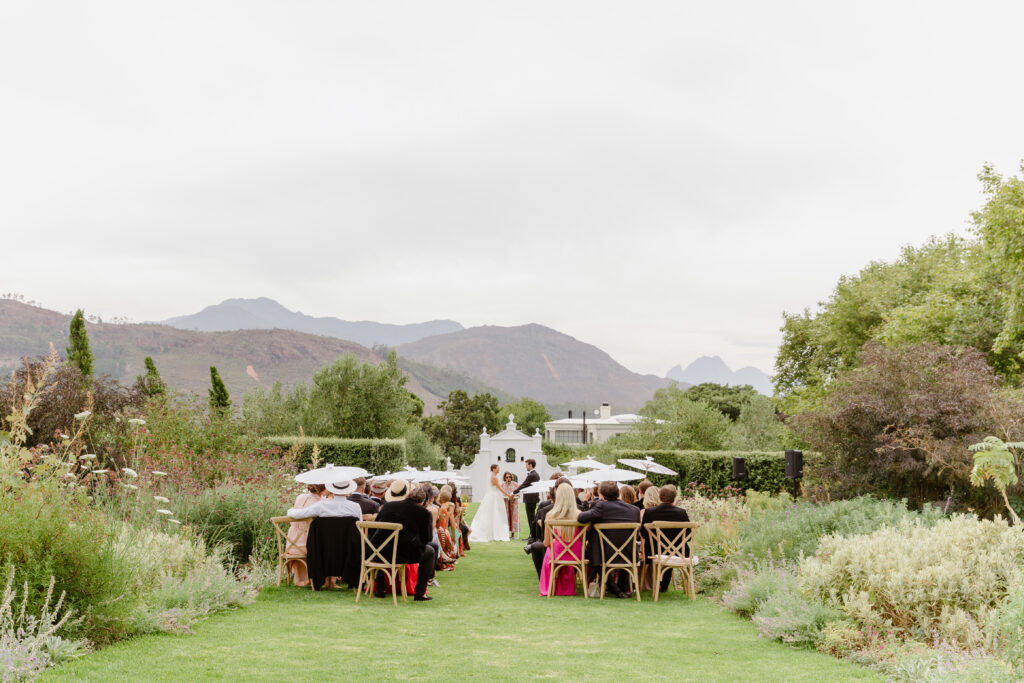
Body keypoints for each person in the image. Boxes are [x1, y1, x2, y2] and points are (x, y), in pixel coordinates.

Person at [372, 480, 437, 601]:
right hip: (403, 555)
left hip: (379, 552)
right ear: (422, 502)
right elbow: (427, 538)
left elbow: (376, 526)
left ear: (407, 496)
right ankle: (420, 593)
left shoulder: (387, 506)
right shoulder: (424, 513)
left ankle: (380, 589)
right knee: (431, 551)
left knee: (380, 546)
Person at [578, 480, 641, 598]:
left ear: (601, 495)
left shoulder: (601, 506)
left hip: (604, 555)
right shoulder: (634, 510)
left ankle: (615, 589)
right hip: (628, 554)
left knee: (595, 542)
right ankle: (621, 588)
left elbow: (581, 517)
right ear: (618, 493)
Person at [640, 484, 691, 594]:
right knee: (670, 551)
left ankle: (661, 585)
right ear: (674, 498)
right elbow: (688, 536)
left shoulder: (649, 512)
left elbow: (644, 534)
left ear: (659, 497)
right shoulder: (681, 513)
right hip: (678, 553)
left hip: (654, 552)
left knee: (666, 551)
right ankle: (663, 586)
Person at [538, 483, 583, 596]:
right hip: (576, 553)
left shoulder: (550, 515)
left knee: (550, 550)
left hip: (558, 553)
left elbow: (546, 542)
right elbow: (582, 539)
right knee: (560, 548)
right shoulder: (579, 515)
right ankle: (566, 588)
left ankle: (549, 588)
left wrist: (554, 541)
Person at [286, 483, 324, 586]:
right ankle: (324, 578)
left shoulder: (300, 497)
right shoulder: (320, 502)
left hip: (292, 543)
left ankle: (300, 579)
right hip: (308, 545)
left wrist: (289, 510)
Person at [469, 464, 512, 543]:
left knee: (491, 514)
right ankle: (492, 532)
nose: (499, 469)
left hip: (492, 496)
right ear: (494, 469)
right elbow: (500, 488)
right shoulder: (494, 478)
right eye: (498, 468)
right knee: (495, 514)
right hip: (494, 497)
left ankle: (492, 532)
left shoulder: (492, 477)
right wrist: (509, 495)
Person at [287, 480, 362, 520]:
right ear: (348, 491)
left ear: (332, 489)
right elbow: (359, 528)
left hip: (325, 546)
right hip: (349, 547)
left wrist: (291, 510)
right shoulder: (356, 507)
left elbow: (299, 514)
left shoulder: (322, 505)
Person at [512, 459, 541, 540]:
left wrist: (514, 492)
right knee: (531, 518)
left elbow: (524, 484)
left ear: (530, 465)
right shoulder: (535, 474)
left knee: (531, 518)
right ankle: (533, 535)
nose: (526, 466)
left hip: (530, 499)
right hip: (533, 498)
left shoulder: (532, 475)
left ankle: (532, 536)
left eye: (526, 464)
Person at [500, 472, 520, 538]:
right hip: (505, 503)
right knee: (505, 517)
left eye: (509, 477)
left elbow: (519, 493)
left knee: (513, 518)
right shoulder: (502, 485)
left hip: (514, 503)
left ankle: (513, 534)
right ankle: (505, 533)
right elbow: (500, 493)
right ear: (504, 478)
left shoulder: (515, 484)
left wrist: (514, 496)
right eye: (507, 477)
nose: (508, 478)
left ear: (511, 477)